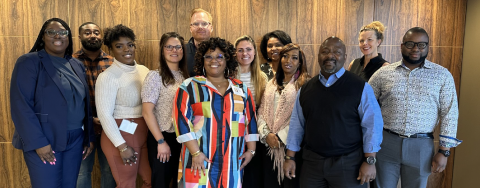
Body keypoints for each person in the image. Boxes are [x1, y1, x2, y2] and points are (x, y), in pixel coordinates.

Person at [283, 37, 384, 188]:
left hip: (349, 164)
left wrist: (369, 161)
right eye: (325, 51)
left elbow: (372, 126)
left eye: (337, 52)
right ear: (318, 56)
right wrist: (290, 157)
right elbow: (297, 125)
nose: (330, 55)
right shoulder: (306, 89)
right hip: (312, 165)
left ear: (345, 57)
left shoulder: (360, 87)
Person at [369, 27, 462, 188]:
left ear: (427, 47)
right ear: (402, 46)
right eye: (410, 44)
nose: (416, 49)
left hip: (421, 146)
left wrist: (444, 151)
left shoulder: (442, 75)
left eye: (421, 45)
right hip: (386, 144)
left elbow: (450, 113)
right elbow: (367, 107)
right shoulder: (383, 74)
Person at [10, 17, 95, 187]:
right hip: (45, 138)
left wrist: (88, 137)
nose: (58, 36)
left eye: (63, 32)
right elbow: (21, 106)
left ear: (68, 37)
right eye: (51, 32)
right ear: (43, 36)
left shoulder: (76, 65)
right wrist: (38, 142)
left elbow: (84, 104)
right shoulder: (29, 62)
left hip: (76, 139)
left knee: (69, 184)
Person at [173, 37, 259, 188]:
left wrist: (251, 150)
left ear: (227, 60)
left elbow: (250, 120)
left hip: (231, 161)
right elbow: (181, 122)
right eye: (209, 56)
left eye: (220, 56)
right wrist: (195, 153)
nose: (214, 60)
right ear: (202, 60)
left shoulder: (241, 89)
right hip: (199, 159)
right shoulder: (190, 87)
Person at [95, 24, 151, 188]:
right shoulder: (108, 77)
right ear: (111, 49)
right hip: (121, 136)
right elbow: (105, 115)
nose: (126, 49)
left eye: (130, 44)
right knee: (126, 183)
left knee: (150, 179)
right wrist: (122, 146)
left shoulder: (144, 70)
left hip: (143, 133)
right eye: (119, 46)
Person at [257, 43, 310, 188]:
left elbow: (305, 117)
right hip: (268, 146)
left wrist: (280, 137)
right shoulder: (271, 83)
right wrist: (266, 134)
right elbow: (261, 110)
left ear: (300, 62)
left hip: (291, 148)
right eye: (285, 56)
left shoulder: (305, 85)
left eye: (294, 58)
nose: (288, 61)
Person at [141, 32, 189, 188]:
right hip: (162, 137)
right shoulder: (155, 76)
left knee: (179, 182)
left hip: (183, 139)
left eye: (178, 47)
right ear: (162, 50)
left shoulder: (186, 77)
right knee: (160, 182)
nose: (174, 50)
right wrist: (160, 141)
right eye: (169, 46)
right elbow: (147, 112)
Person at [73, 22, 116, 188]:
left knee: (109, 170)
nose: (92, 35)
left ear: (101, 36)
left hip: (109, 128)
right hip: (81, 129)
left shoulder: (113, 63)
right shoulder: (70, 62)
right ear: (80, 37)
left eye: (96, 32)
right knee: (82, 172)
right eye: (87, 32)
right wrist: (89, 120)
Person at [234, 35, 268, 188]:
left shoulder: (261, 77)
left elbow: (263, 107)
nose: (244, 53)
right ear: (235, 53)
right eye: (240, 50)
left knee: (252, 175)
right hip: (234, 129)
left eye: (248, 49)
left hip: (254, 131)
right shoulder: (228, 76)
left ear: (254, 53)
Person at [185, 8, 214, 76]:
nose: (200, 27)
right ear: (190, 28)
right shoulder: (181, 51)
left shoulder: (221, 50)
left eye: (204, 23)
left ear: (211, 28)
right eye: (196, 24)